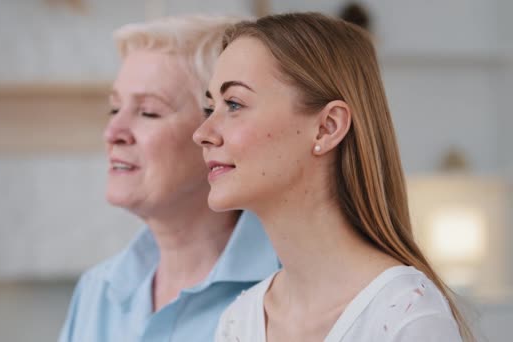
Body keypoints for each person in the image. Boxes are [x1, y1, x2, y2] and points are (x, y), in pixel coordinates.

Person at [193, 12, 473, 342]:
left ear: (328, 127)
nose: (202, 133)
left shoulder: (405, 316)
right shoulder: (240, 322)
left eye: (235, 104)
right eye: (210, 109)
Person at [58, 16, 279, 342]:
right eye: (114, 109)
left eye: (149, 111)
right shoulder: (97, 292)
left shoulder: (288, 288)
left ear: (216, 132)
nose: (113, 132)